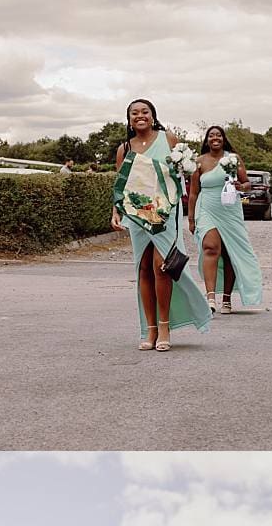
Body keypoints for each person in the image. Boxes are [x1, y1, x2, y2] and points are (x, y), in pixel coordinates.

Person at [110, 98, 210, 351]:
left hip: (165, 214)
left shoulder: (169, 139)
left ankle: (165, 326)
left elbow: (183, 174)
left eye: (145, 111)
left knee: (161, 267)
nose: (140, 116)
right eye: (134, 113)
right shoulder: (124, 148)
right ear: (129, 119)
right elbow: (120, 185)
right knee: (143, 268)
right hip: (136, 215)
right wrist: (116, 212)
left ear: (153, 116)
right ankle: (150, 329)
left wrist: (183, 172)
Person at [189, 125, 263, 314]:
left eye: (218, 135)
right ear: (206, 140)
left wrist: (241, 186)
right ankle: (210, 297)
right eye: (211, 135)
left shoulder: (233, 159)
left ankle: (227, 298)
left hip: (230, 209)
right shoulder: (199, 161)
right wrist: (191, 218)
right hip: (207, 209)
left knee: (230, 253)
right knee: (211, 248)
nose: (215, 138)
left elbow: (246, 184)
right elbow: (193, 193)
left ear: (223, 139)